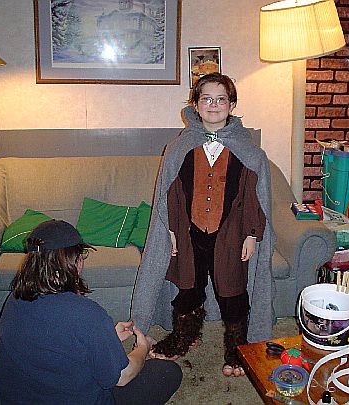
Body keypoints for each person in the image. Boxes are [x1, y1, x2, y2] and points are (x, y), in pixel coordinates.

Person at [131, 73, 276, 377]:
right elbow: (171, 193)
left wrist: (252, 234)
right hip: (189, 232)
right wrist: (171, 231)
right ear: (195, 104)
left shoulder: (249, 151)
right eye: (206, 99)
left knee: (232, 291)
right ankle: (185, 336)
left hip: (231, 233)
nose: (214, 105)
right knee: (188, 287)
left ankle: (236, 348)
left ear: (232, 105)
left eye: (221, 99)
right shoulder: (179, 147)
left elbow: (254, 195)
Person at [0, 219, 182, 405]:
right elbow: (122, 377)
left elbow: (54, 344)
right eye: (81, 254)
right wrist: (143, 348)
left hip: (9, 399)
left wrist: (108, 337)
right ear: (72, 261)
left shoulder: (14, 299)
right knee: (167, 372)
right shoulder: (87, 314)